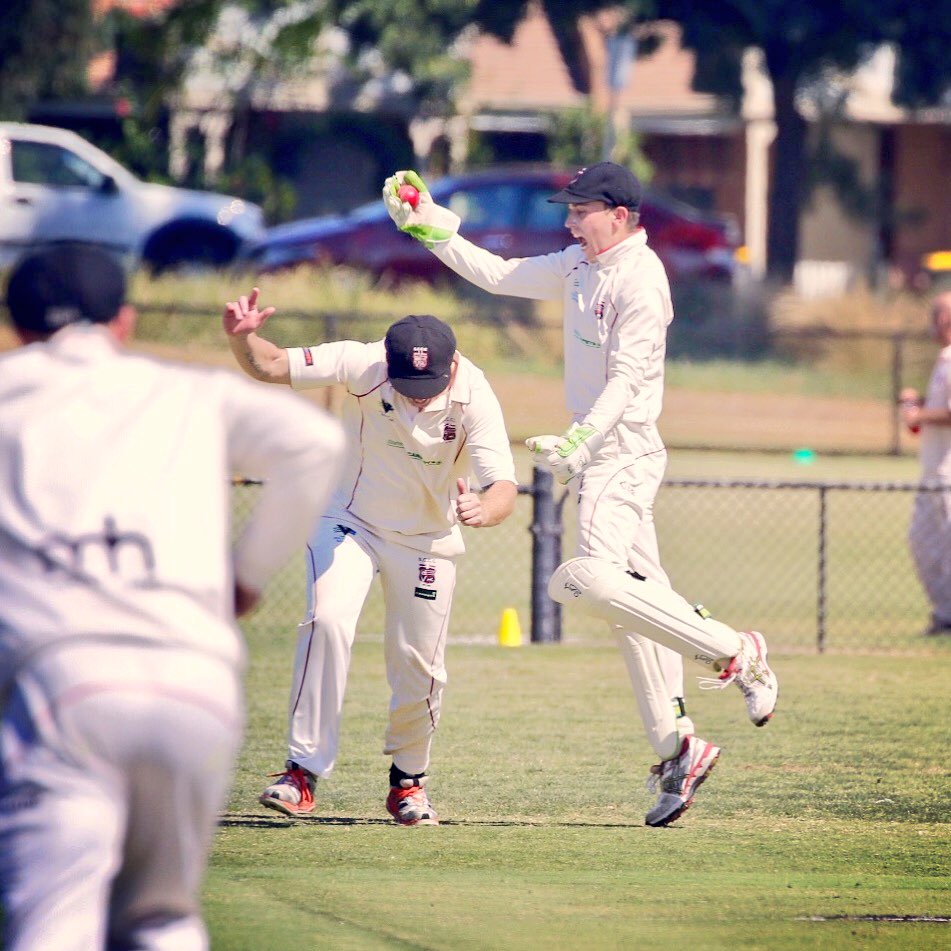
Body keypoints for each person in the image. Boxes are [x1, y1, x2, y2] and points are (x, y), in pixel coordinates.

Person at [383, 163, 779, 827]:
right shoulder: (577, 265)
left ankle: (734, 649)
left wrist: (578, 440)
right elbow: (499, 273)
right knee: (634, 604)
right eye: (567, 210)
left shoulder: (642, 282)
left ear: (619, 214)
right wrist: (430, 228)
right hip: (594, 456)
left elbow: (626, 381)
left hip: (619, 456)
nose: (568, 220)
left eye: (581, 210)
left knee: (582, 579)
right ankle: (677, 747)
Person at [0, 244, 346, 951]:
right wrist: (243, 578)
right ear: (123, 321)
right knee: (161, 919)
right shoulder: (186, 391)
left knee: (55, 918)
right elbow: (313, 442)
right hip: (198, 680)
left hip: (62, 681)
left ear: (15, 326)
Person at [222, 293, 518, 825]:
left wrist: (484, 508)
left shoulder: (477, 396)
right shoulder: (366, 362)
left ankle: (408, 782)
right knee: (327, 619)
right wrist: (243, 336)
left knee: (419, 663)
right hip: (348, 519)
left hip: (427, 538)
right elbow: (269, 364)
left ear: (453, 366)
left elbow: (504, 488)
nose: (419, 401)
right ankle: (301, 772)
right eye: (409, 389)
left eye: (430, 390)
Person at [899, 290, 951, 637]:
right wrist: (918, 408)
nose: (934, 321)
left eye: (938, 314)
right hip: (932, 470)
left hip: (949, 471)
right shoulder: (944, 359)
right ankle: (945, 614)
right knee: (923, 541)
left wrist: (918, 413)